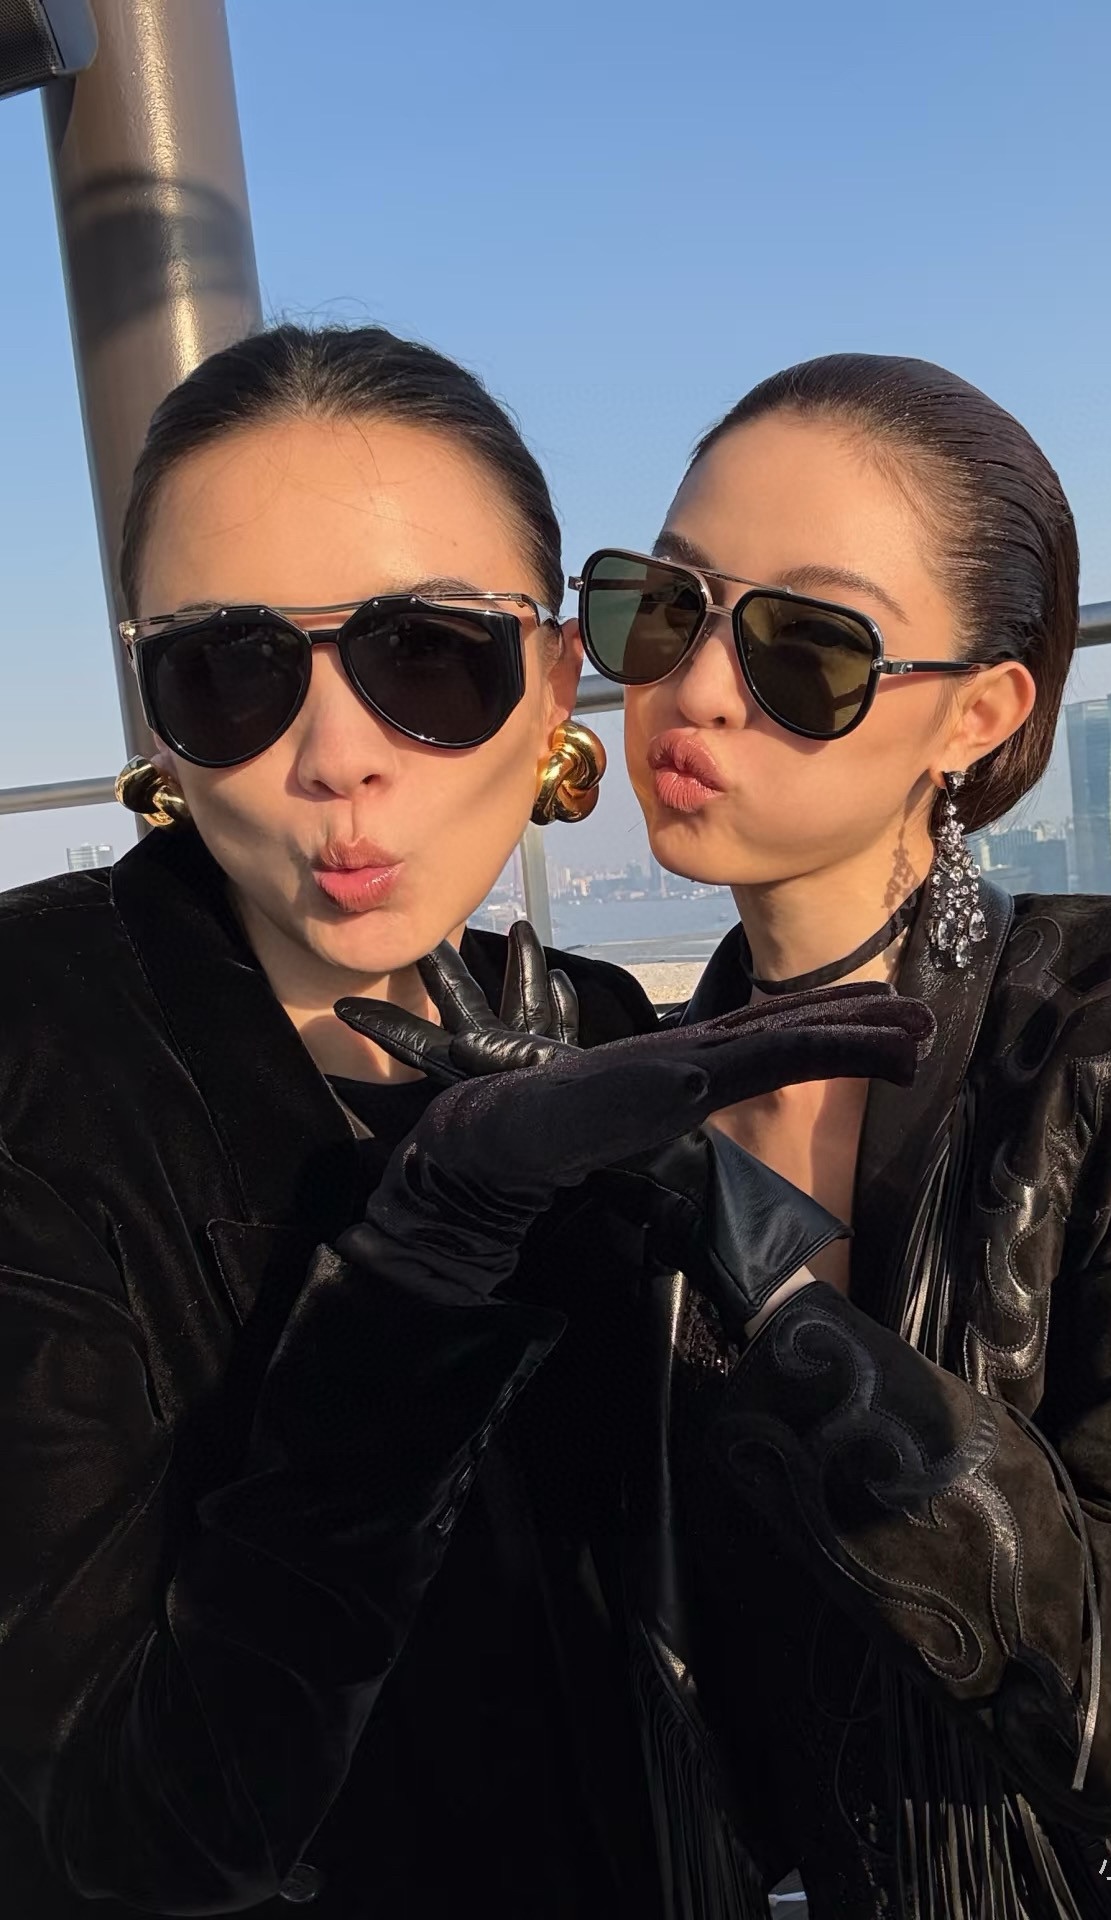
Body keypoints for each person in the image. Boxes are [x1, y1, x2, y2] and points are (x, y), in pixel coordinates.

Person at [0, 323, 933, 1918]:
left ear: (557, 680)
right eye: (227, 671)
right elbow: (136, 1831)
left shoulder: (593, 1026)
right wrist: (418, 1275)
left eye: (429, 657)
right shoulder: (35, 1049)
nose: (335, 760)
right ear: (156, 714)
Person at [559, 354, 1111, 1919]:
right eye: (664, 607)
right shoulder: (625, 1099)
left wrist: (781, 1308)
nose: (695, 688)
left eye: (807, 647)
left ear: (977, 713)